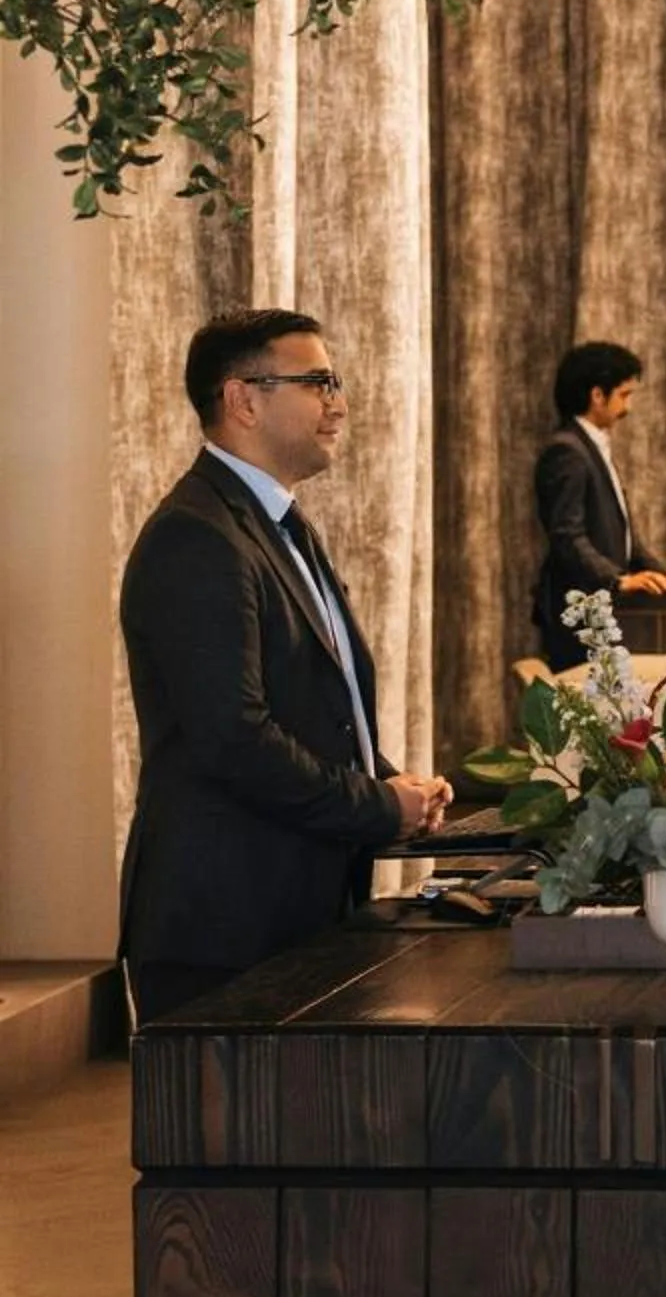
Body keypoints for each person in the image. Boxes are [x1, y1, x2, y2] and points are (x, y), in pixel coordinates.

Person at [119, 309, 451, 1027]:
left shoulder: (274, 522)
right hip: (227, 920)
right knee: (229, 1140)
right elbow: (234, 739)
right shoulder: (196, 535)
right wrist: (372, 807)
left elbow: (316, 712)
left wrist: (394, 787)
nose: (339, 402)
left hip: (295, 905)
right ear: (243, 399)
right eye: (318, 382)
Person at [531, 340, 666, 671]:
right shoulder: (567, 451)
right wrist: (617, 580)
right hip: (579, 619)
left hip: (600, 612)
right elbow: (567, 536)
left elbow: (623, 534)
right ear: (597, 395)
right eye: (623, 395)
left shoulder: (590, 447)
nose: (627, 407)